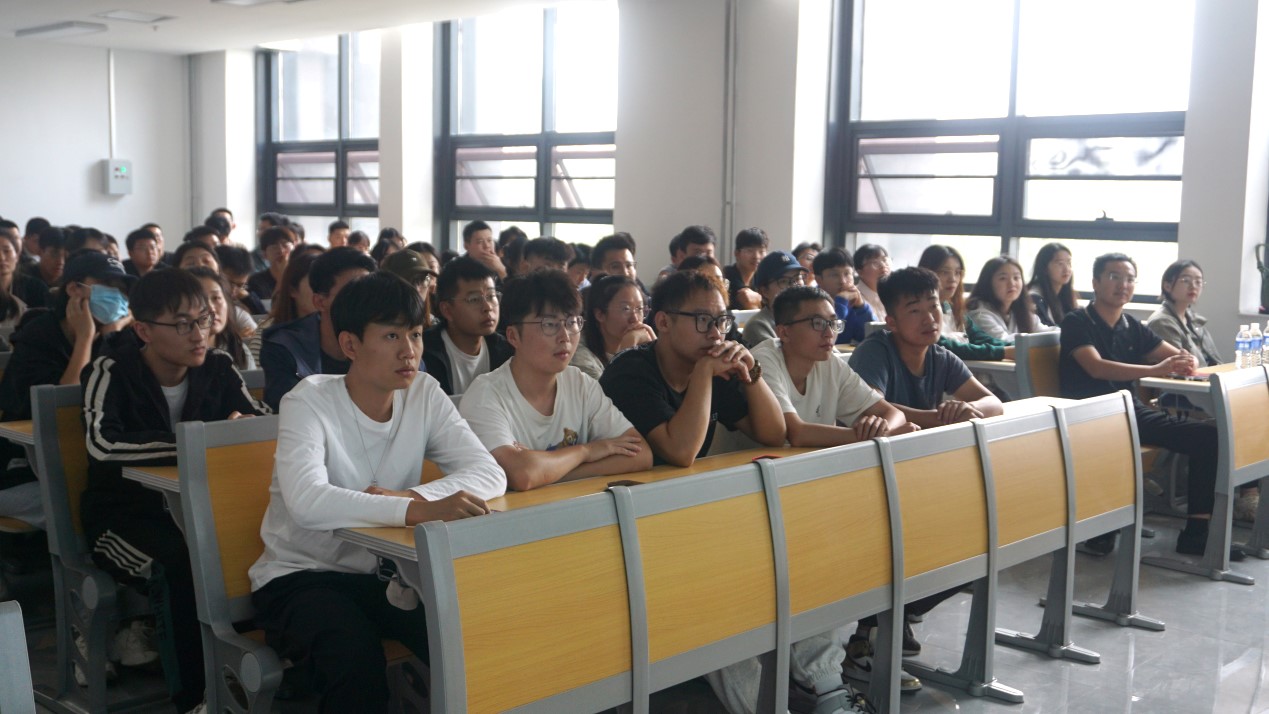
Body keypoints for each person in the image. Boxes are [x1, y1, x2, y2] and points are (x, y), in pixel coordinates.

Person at [249, 272, 504, 714]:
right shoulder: (308, 401)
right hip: (301, 578)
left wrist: (412, 499)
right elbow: (307, 502)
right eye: (391, 336)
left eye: (416, 334)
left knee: (476, 642)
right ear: (350, 345)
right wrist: (411, 510)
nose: (409, 351)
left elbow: (489, 473)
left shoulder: (423, 392)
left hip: (388, 574)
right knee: (355, 661)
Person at [82, 269, 268, 713]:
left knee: (257, 547)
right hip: (124, 520)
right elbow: (102, 445)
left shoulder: (218, 367)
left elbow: (263, 422)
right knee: (180, 565)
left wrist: (241, 429)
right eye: (183, 324)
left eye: (203, 320)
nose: (199, 334)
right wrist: (197, 442)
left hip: (199, 510)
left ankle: (250, 672)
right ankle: (195, 698)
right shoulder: (111, 370)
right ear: (144, 330)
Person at [1059, 253, 1238, 559]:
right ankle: (1106, 525)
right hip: (1090, 415)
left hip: (1129, 413)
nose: (1123, 285)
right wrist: (1155, 369)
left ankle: (1197, 533)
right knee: (1208, 437)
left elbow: (1174, 354)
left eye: (1130, 279)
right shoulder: (1077, 321)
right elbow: (1096, 367)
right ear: (1096, 283)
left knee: (1210, 438)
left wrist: (1185, 359)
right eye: (1114, 277)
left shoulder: (1131, 324)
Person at [460, 271, 650, 490]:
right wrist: (587, 451)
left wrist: (547, 472)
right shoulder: (485, 395)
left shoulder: (580, 384)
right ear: (513, 336)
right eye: (549, 324)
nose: (565, 336)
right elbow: (522, 474)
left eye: (572, 322)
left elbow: (641, 454)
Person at [600, 270, 786, 466]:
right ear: (663, 322)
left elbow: (774, 436)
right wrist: (703, 373)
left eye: (721, 321)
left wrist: (752, 371)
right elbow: (680, 452)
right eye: (702, 319)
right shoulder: (629, 372)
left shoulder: (714, 367)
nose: (716, 334)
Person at [848, 267, 1003, 430]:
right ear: (892, 323)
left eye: (934, 306)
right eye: (915, 311)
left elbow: (994, 403)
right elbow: (872, 409)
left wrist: (967, 409)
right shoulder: (874, 352)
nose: (929, 319)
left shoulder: (941, 357)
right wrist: (939, 418)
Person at [261, 247, 377, 410]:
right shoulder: (284, 348)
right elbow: (291, 410)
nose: (364, 304)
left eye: (370, 295)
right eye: (352, 294)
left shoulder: (387, 341)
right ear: (320, 302)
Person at [421, 257, 514, 396]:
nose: (487, 307)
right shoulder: (424, 353)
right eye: (474, 299)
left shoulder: (507, 351)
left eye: (491, 296)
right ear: (447, 310)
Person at [915, 245, 1013, 362]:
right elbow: (945, 347)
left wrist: (1015, 347)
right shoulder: (919, 313)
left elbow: (980, 338)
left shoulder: (951, 308)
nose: (953, 279)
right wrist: (1003, 352)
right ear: (928, 272)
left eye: (957, 273)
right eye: (945, 272)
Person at [572, 275, 656, 380]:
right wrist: (626, 352)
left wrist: (655, 353)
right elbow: (609, 390)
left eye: (639, 309)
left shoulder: (641, 346)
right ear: (600, 314)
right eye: (626, 309)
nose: (635, 319)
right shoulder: (580, 356)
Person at [246, 250, 321, 367]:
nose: (322, 292)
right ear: (293, 290)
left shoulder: (335, 332)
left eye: (328, 285)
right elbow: (258, 375)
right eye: (314, 284)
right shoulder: (268, 332)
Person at [1145, 260, 1222, 367]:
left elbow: (1214, 359)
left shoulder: (1194, 319)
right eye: (1185, 280)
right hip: (1190, 376)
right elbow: (1180, 366)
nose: (1193, 286)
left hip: (1209, 374)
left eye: (1198, 282)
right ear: (1167, 286)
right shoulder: (1162, 322)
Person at [966, 256, 1056, 342]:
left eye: (1016, 278)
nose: (1012, 283)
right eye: (1003, 278)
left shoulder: (1020, 309)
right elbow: (1002, 341)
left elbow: (1045, 331)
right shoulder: (979, 312)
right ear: (987, 283)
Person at [188, 267, 255, 370]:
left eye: (216, 298)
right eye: (200, 300)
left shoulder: (238, 349)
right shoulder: (179, 352)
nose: (211, 308)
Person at [741, 251, 807, 348]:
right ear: (764, 291)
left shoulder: (807, 318)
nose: (794, 286)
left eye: (797, 278)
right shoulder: (758, 326)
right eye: (783, 281)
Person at [811, 248, 874, 345]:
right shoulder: (810, 302)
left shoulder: (852, 302)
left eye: (847, 274)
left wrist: (861, 308)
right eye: (834, 275)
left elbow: (872, 337)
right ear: (819, 280)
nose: (843, 281)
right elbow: (824, 335)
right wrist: (841, 303)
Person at [379, 249, 438, 325]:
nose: (416, 288)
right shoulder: (376, 325)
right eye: (408, 281)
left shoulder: (435, 326)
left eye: (422, 280)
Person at [1028, 242, 1077, 327]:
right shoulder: (1034, 298)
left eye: (1069, 263)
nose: (1067, 269)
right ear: (1045, 268)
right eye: (1060, 263)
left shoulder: (1064, 295)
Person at [723, 227, 767, 310]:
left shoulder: (764, 280)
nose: (756, 256)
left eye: (761, 251)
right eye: (750, 251)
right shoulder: (725, 277)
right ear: (737, 253)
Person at [248, 226, 295, 303]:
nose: (281, 250)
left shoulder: (300, 278)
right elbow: (269, 307)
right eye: (274, 246)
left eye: (285, 245)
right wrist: (282, 275)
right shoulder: (256, 281)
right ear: (264, 254)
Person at [852, 244, 890, 320]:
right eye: (875, 263)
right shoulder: (854, 298)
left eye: (884, 260)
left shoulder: (892, 295)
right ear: (860, 272)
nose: (883, 266)